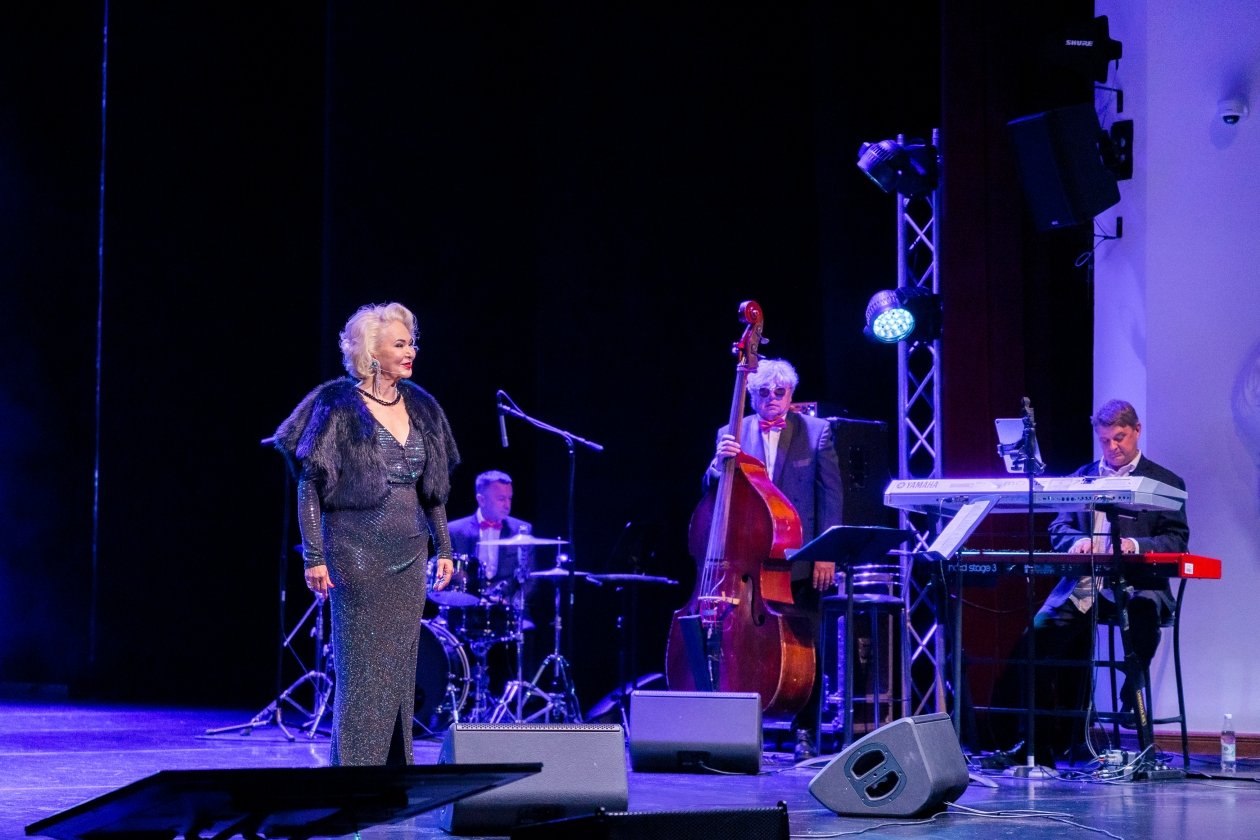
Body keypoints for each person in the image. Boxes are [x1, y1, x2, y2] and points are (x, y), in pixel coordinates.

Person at [274, 302, 460, 766]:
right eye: (400, 344)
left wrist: (445, 548)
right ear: (372, 353)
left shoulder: (421, 406)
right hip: (355, 553)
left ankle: (393, 777)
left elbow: (433, 490)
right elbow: (309, 485)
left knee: (399, 672)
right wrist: (314, 556)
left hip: (410, 555)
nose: (410, 351)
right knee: (362, 675)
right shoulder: (337, 404)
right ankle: (354, 777)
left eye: (412, 343)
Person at [990, 399, 1189, 767]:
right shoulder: (1082, 477)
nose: (1113, 447)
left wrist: (1133, 546)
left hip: (1136, 584)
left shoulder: (1164, 482)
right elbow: (1059, 527)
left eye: (1120, 438)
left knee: (1143, 617)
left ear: (1137, 431)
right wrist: (1076, 542)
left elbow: (1176, 540)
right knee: (1033, 643)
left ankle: (1133, 699)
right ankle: (1037, 746)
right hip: (1083, 587)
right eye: (1105, 440)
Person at [705, 358, 844, 760]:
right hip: (747, 558)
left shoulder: (817, 432)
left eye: (779, 392)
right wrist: (716, 466)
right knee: (742, 645)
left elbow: (830, 497)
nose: (772, 399)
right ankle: (742, 728)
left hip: (799, 557)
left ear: (790, 394)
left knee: (806, 644)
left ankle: (805, 732)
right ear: (751, 395)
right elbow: (711, 493)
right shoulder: (731, 432)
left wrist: (826, 555)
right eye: (763, 392)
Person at [447, 470, 537, 697]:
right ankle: (459, 699)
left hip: (507, 610)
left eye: (509, 498)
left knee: (527, 632)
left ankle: (515, 701)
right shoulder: (455, 531)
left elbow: (530, 579)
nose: (507, 504)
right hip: (466, 609)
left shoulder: (522, 530)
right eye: (501, 499)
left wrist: (511, 602)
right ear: (481, 499)